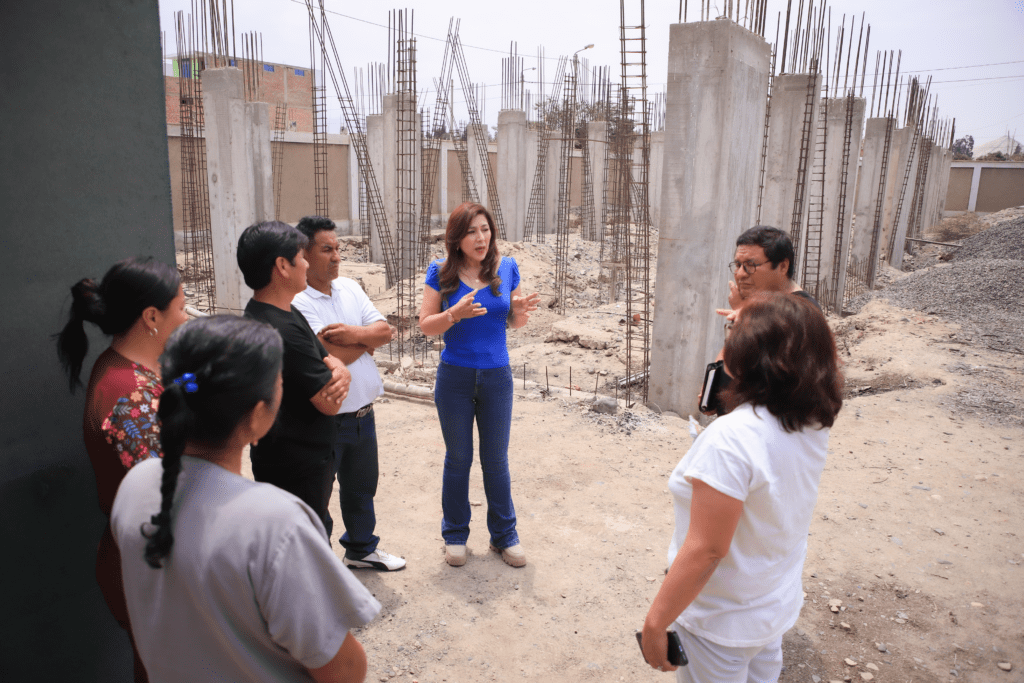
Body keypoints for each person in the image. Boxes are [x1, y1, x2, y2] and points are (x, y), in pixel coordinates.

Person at [110, 315, 381, 682]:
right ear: (256, 417)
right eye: (280, 384)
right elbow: (345, 669)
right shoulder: (275, 524)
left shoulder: (136, 485)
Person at [641, 293, 843, 682]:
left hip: (720, 624)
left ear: (748, 354)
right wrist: (757, 320)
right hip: (768, 607)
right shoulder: (811, 419)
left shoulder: (732, 439)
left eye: (735, 332)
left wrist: (656, 622)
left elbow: (707, 550)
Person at [55, 256, 189, 683]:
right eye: (182, 307)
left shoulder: (141, 368)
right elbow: (172, 496)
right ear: (152, 316)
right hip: (151, 569)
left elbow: (184, 386)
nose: (187, 317)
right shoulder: (127, 393)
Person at [418, 202, 541, 568]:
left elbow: (512, 323)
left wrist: (520, 313)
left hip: (497, 378)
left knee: (496, 460)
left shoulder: (507, 268)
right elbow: (426, 326)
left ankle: (505, 536)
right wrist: (453, 314)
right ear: (456, 239)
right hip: (454, 377)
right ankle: (455, 535)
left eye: (485, 229)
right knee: (458, 459)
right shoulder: (440, 273)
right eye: (472, 231)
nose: (481, 237)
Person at [293, 215, 405, 572]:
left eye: (338, 248)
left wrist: (355, 334)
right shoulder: (298, 302)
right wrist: (365, 340)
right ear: (304, 255)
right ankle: (321, 568)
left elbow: (386, 331)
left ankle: (361, 549)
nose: (337, 256)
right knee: (318, 498)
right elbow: (325, 358)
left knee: (361, 490)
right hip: (324, 420)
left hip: (362, 416)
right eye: (327, 249)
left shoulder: (351, 288)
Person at [237, 220, 351, 536]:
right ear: (282, 266)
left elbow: (327, 357)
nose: (306, 264)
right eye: (301, 257)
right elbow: (329, 403)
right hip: (295, 465)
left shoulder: (278, 311)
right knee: (305, 542)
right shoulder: (282, 330)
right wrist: (342, 374)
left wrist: (339, 367)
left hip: (294, 457)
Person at [700, 226, 821, 415]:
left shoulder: (797, 314)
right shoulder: (768, 308)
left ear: (782, 266)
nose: (740, 274)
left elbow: (739, 375)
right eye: (738, 265)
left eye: (751, 265)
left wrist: (746, 318)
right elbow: (722, 386)